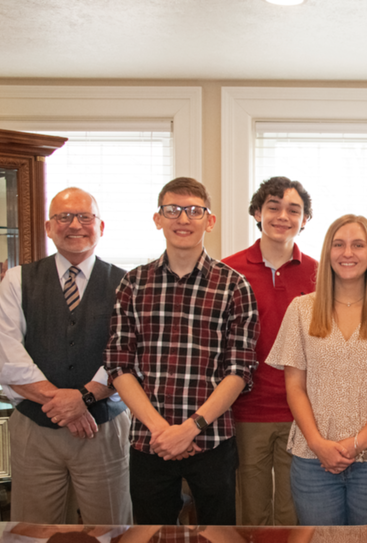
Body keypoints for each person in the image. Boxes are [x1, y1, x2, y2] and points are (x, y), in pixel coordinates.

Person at [104, 177, 258, 525]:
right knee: (150, 534)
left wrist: (189, 429)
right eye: (172, 210)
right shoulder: (133, 283)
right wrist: (163, 431)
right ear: (158, 219)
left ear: (210, 220)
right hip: (149, 441)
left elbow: (240, 370)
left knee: (219, 534)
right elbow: (119, 364)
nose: (183, 219)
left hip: (212, 440)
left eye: (194, 211)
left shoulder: (235, 286)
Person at [266, 214, 367, 526]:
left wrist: (356, 444)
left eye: (357, 245)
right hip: (313, 461)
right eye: (339, 244)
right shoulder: (301, 310)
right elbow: (294, 386)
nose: (347, 253)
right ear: (327, 252)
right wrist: (318, 444)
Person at [0, 187, 131, 524]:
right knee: (34, 529)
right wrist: (68, 406)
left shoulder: (127, 283)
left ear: (101, 226)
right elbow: (8, 356)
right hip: (35, 429)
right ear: (48, 227)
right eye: (64, 217)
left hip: (105, 427)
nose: (75, 225)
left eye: (85, 217)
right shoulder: (17, 280)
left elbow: (127, 353)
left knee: (111, 528)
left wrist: (84, 398)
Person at [223, 177, 317, 526]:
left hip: (302, 411)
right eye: (273, 207)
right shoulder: (227, 271)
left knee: (295, 512)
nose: (283, 216)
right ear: (257, 213)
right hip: (246, 410)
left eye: (294, 209)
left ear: (305, 219)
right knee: (251, 512)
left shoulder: (319, 274)